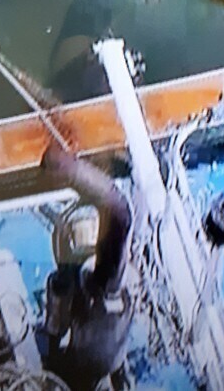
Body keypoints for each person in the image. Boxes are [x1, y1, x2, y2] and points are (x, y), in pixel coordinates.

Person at [39, 145, 133, 391]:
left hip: (84, 347)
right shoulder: (106, 296)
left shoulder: (98, 355)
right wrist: (73, 172)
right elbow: (119, 213)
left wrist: (72, 171)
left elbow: (119, 212)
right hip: (88, 344)